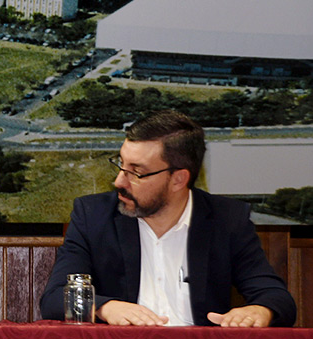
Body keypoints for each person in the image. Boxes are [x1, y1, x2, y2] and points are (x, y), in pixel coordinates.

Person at [40, 109, 296, 327]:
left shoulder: (226, 220)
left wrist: (259, 312)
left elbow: (275, 296)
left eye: (136, 172)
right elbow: (54, 298)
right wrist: (106, 307)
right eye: (121, 164)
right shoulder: (93, 216)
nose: (119, 181)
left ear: (178, 179)